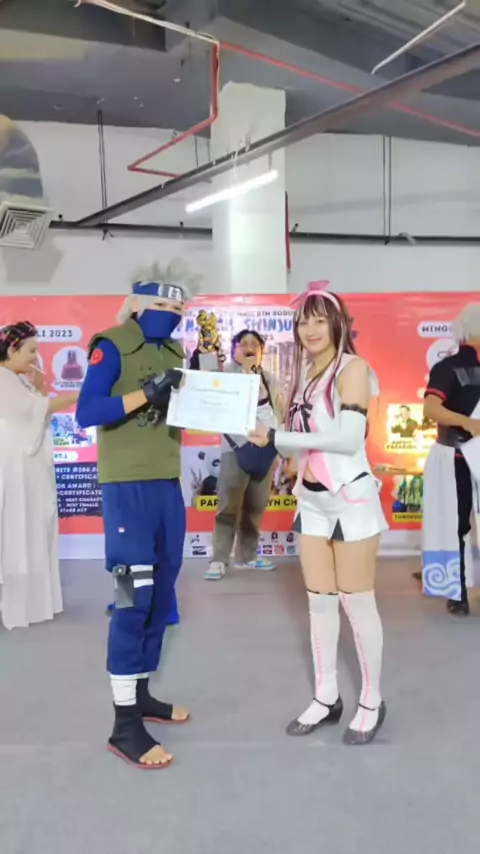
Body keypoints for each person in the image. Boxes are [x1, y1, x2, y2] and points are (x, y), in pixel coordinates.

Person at [249, 282, 388, 745]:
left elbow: (348, 439)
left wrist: (282, 439)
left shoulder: (353, 369)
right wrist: (259, 424)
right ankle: (327, 696)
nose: (309, 330)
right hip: (310, 502)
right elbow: (291, 437)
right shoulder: (304, 373)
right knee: (320, 602)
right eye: (302, 322)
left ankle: (371, 700)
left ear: (338, 324)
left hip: (351, 500)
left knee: (357, 602)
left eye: (318, 320)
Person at [76, 260, 200, 770]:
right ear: (139, 305)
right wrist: (146, 394)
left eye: (179, 308)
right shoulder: (110, 344)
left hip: (167, 486)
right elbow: (87, 411)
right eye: (163, 305)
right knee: (132, 599)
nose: (172, 314)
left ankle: (141, 693)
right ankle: (124, 725)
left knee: (162, 595)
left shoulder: (174, 351)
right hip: (125, 490)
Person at [0, 321, 78, 629]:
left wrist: (40, 389)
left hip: (27, 469)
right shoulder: (3, 379)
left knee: (31, 525)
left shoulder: (17, 381)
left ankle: (31, 600)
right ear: (12, 349)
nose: (36, 357)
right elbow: (33, 412)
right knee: (17, 528)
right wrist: (80, 394)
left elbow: (38, 410)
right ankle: (17, 602)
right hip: (14, 469)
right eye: (31, 351)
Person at [201, 329, 285, 581]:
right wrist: (208, 354)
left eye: (255, 344)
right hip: (235, 449)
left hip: (266, 451)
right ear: (235, 350)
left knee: (255, 507)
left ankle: (247, 556)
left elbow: (279, 414)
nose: (250, 348)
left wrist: (282, 447)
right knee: (228, 506)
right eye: (243, 344)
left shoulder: (270, 379)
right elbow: (207, 381)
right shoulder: (227, 374)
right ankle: (219, 559)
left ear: (261, 351)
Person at [421, 305, 480, 617]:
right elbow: (431, 409)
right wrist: (467, 422)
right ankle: (457, 592)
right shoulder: (449, 367)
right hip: (457, 455)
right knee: (456, 525)